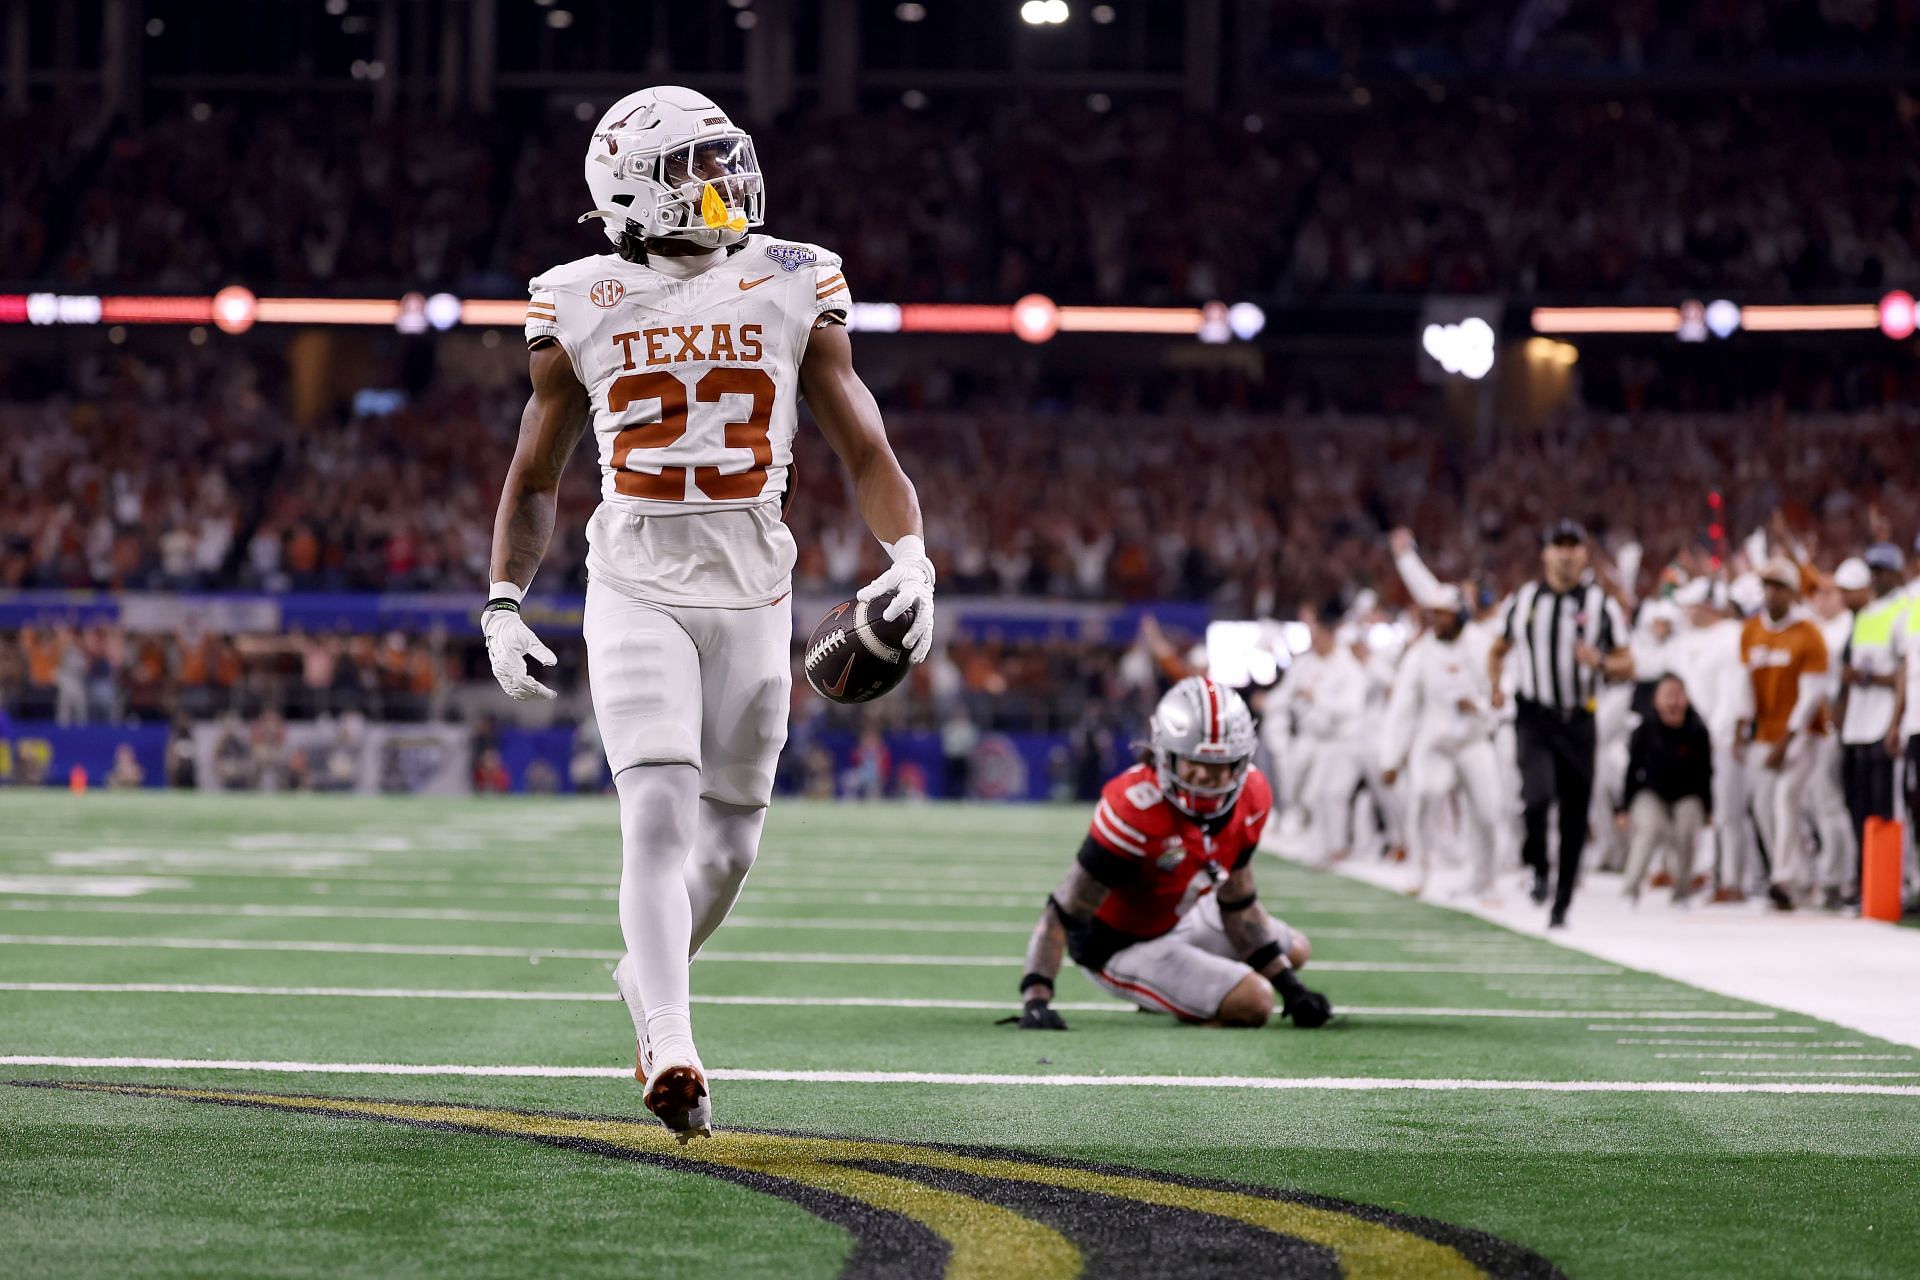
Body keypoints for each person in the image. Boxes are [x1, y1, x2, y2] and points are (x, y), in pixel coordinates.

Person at [481, 86, 934, 1142]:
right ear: (635, 191)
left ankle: (646, 988)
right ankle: (674, 1040)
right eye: (693, 168)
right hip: (638, 581)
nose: (723, 184)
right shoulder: (575, 297)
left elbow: (863, 440)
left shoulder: (791, 277)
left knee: (728, 850)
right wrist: (504, 598)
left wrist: (910, 549)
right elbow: (536, 475)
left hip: (757, 589)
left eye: (722, 160)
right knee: (657, 814)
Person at [1013, 676, 1332, 1031]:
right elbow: (1064, 910)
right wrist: (1037, 995)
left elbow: (1238, 906)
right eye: (1192, 761)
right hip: (1120, 944)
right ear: (1166, 756)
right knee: (1255, 1002)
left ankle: (1185, 986)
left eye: (1219, 763)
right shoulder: (1135, 808)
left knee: (1296, 951)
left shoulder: (1252, 795)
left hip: (1183, 914)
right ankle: (1177, 994)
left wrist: (1292, 988)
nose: (1205, 776)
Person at [1487, 519, 1631, 928]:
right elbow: (1498, 649)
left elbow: (1628, 661)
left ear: (1584, 553)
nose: (1566, 554)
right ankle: (1537, 866)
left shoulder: (1600, 604)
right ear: (1546, 553)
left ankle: (1562, 899)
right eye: (1559, 546)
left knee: (1574, 814)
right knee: (1536, 797)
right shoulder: (1526, 600)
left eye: (1573, 546)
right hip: (1534, 716)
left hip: (1578, 718)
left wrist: (1600, 661)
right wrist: (1495, 685)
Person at [1378, 585, 1504, 898]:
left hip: (1474, 739)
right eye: (1434, 614)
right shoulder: (1421, 653)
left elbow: (1502, 695)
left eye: (1443, 614)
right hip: (1433, 740)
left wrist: (1481, 706)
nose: (1437, 620)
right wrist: (1391, 757)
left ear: (1459, 614)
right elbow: (1403, 707)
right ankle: (1418, 871)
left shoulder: (1483, 645)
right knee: (1422, 798)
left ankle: (1484, 879)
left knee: (1488, 812)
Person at [1738, 557, 1830, 911]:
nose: (1771, 594)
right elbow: (1746, 684)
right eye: (1767, 586)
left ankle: (1783, 878)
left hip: (1804, 733)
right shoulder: (1751, 631)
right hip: (1765, 731)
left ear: (1792, 592)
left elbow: (1811, 697)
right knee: (1762, 805)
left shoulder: (1809, 635)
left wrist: (1786, 740)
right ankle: (1799, 875)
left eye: (1778, 587)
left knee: (1786, 798)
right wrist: (1740, 725)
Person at [1833, 548, 1909, 907]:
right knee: (1858, 807)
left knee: (1884, 808)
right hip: (1857, 725)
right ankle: (1867, 882)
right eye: (1872, 570)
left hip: (1882, 722)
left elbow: (1904, 675)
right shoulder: (1864, 616)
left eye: (1883, 570)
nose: (1877, 576)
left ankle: (1890, 885)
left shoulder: (1904, 610)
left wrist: (1896, 718)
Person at [1618, 676, 1713, 905]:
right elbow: (1632, 771)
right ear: (1657, 701)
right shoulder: (1644, 729)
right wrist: (1623, 808)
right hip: (1652, 792)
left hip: (1686, 793)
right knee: (1650, 828)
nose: (1674, 702)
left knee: (1687, 828)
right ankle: (1630, 890)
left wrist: (1709, 809)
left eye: (1678, 695)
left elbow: (1705, 774)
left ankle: (1682, 892)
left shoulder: (1697, 730)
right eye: (1668, 695)